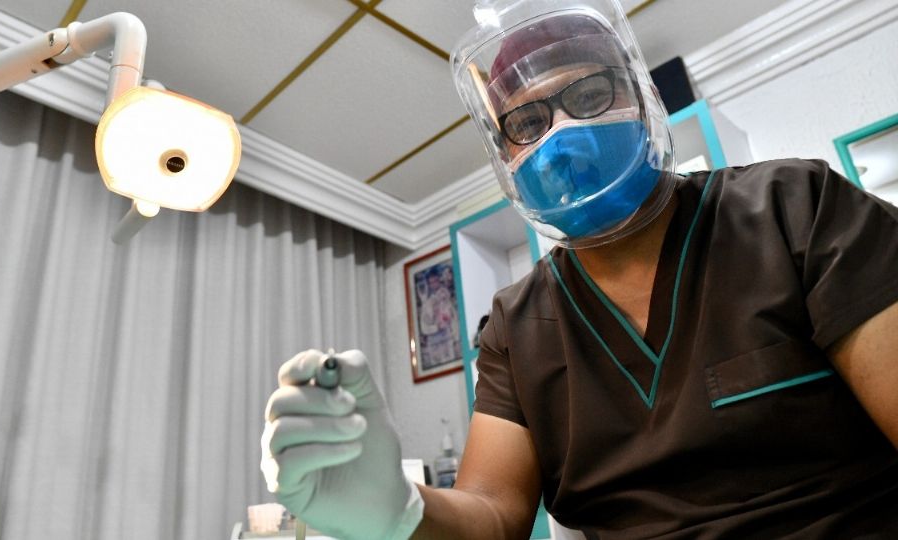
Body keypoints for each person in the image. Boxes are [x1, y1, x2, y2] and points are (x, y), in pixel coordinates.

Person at [260, 0, 898, 538]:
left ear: (645, 100)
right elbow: (493, 513)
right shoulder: (516, 325)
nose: (561, 134)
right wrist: (396, 512)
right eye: (527, 122)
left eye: (591, 94)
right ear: (505, 152)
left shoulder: (791, 207)